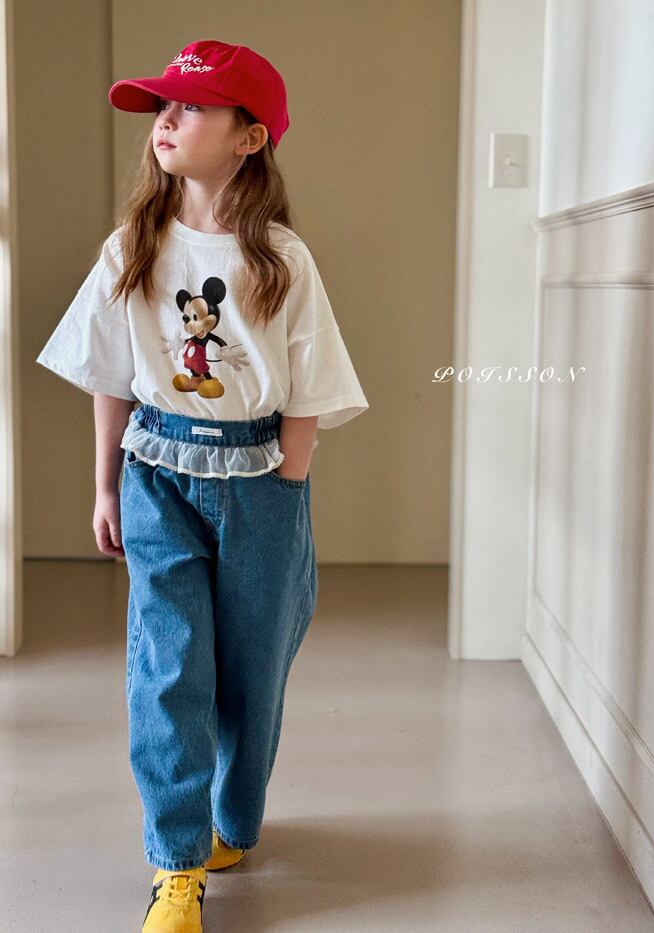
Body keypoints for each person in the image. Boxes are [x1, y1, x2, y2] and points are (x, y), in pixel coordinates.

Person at [35, 39, 369, 933]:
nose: (167, 121)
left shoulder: (282, 259)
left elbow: (309, 385)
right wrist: (107, 486)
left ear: (250, 137)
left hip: (261, 480)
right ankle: (176, 864)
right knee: (169, 665)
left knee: (253, 668)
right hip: (156, 473)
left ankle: (232, 822)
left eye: (191, 107)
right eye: (162, 108)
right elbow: (109, 374)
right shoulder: (133, 247)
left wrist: (287, 483)